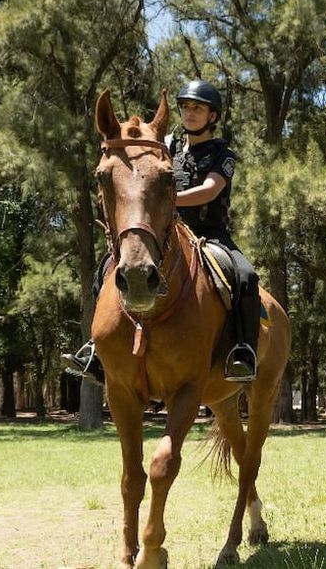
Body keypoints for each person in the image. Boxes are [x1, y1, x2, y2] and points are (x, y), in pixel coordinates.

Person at [62, 80, 260, 384]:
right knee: (106, 267)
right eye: (185, 107)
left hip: (210, 233)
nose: (190, 113)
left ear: (213, 116)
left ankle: (244, 350)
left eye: (198, 108)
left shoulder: (224, 154)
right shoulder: (167, 146)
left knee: (246, 275)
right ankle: (95, 349)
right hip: (165, 230)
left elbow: (210, 190)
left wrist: (167, 199)